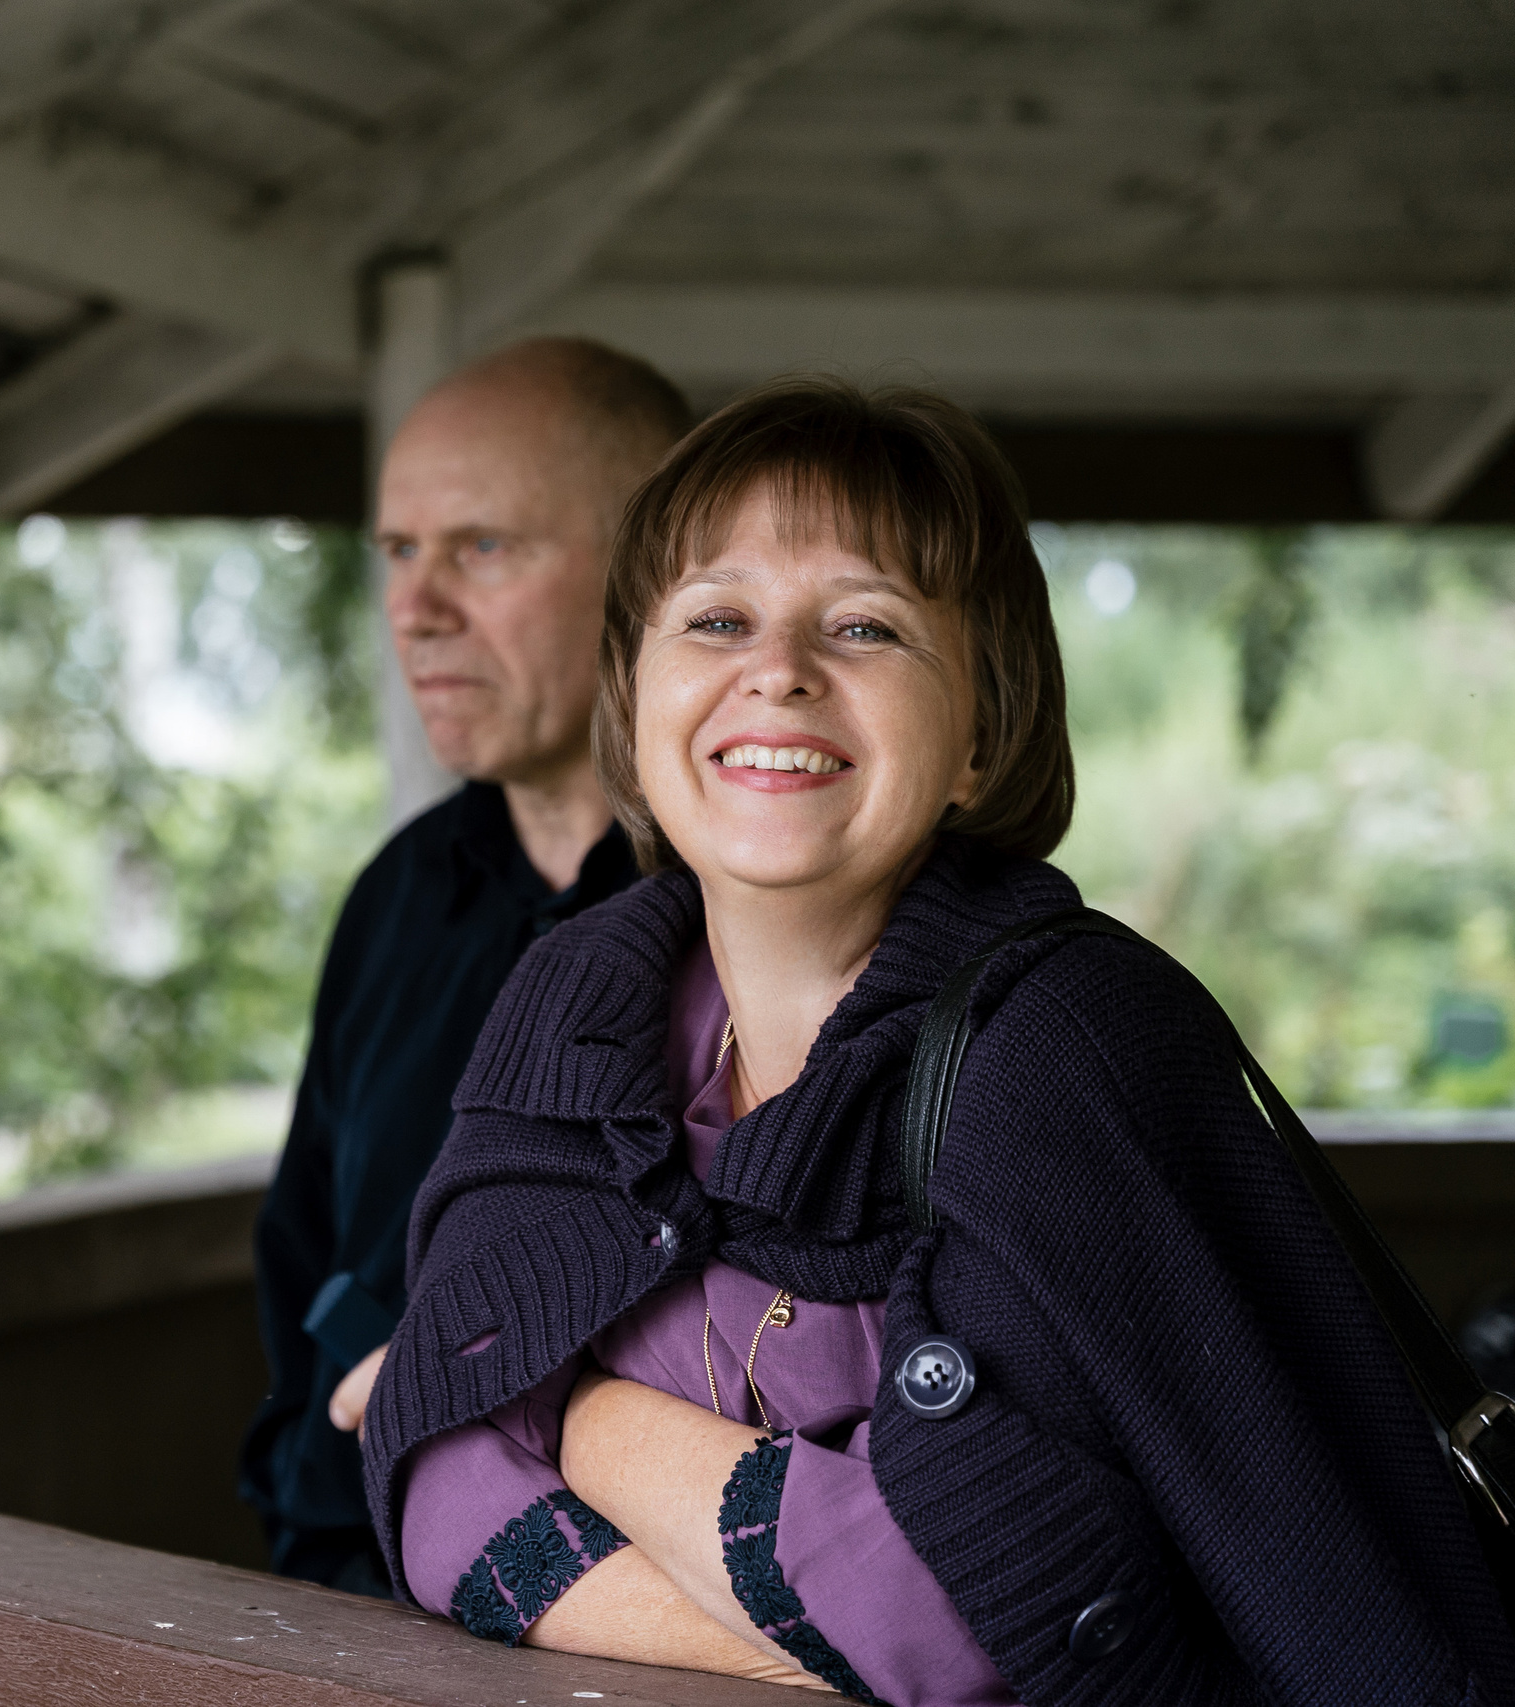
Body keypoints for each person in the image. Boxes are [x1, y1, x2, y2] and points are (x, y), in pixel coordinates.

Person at [361, 376, 1515, 1703]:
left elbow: (984, 1613)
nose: (778, 668)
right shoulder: (578, 1002)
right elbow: (433, 1478)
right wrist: (824, 1642)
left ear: (980, 727)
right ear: (634, 700)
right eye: (717, 617)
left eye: (864, 625)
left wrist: (579, 1416)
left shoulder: (1075, 1039)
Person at [238, 339, 692, 1594]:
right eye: (397, 550)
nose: (415, 605)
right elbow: (302, 1262)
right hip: (357, 1596)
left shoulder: (759, 907)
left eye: (481, 547)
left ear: (651, 568)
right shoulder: (398, 896)